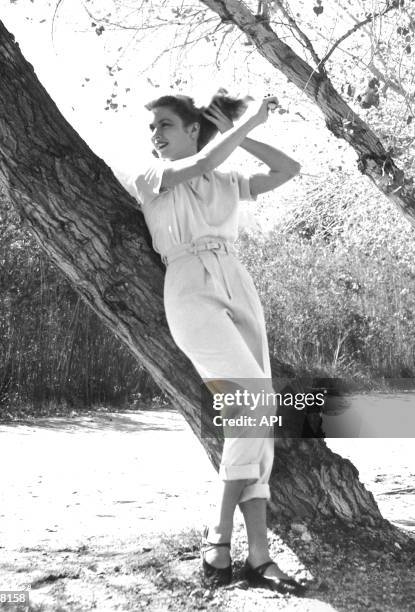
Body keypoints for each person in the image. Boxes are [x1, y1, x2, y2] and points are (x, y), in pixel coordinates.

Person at [124, 90, 304, 594]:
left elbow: (289, 169)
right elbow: (202, 159)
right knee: (255, 401)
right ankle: (219, 535)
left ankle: (259, 555)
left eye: (165, 125)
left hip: (236, 277)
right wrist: (233, 133)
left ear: (193, 129)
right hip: (188, 284)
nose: (155, 135)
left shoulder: (224, 179)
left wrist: (242, 132)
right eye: (153, 128)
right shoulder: (150, 177)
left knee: (256, 413)